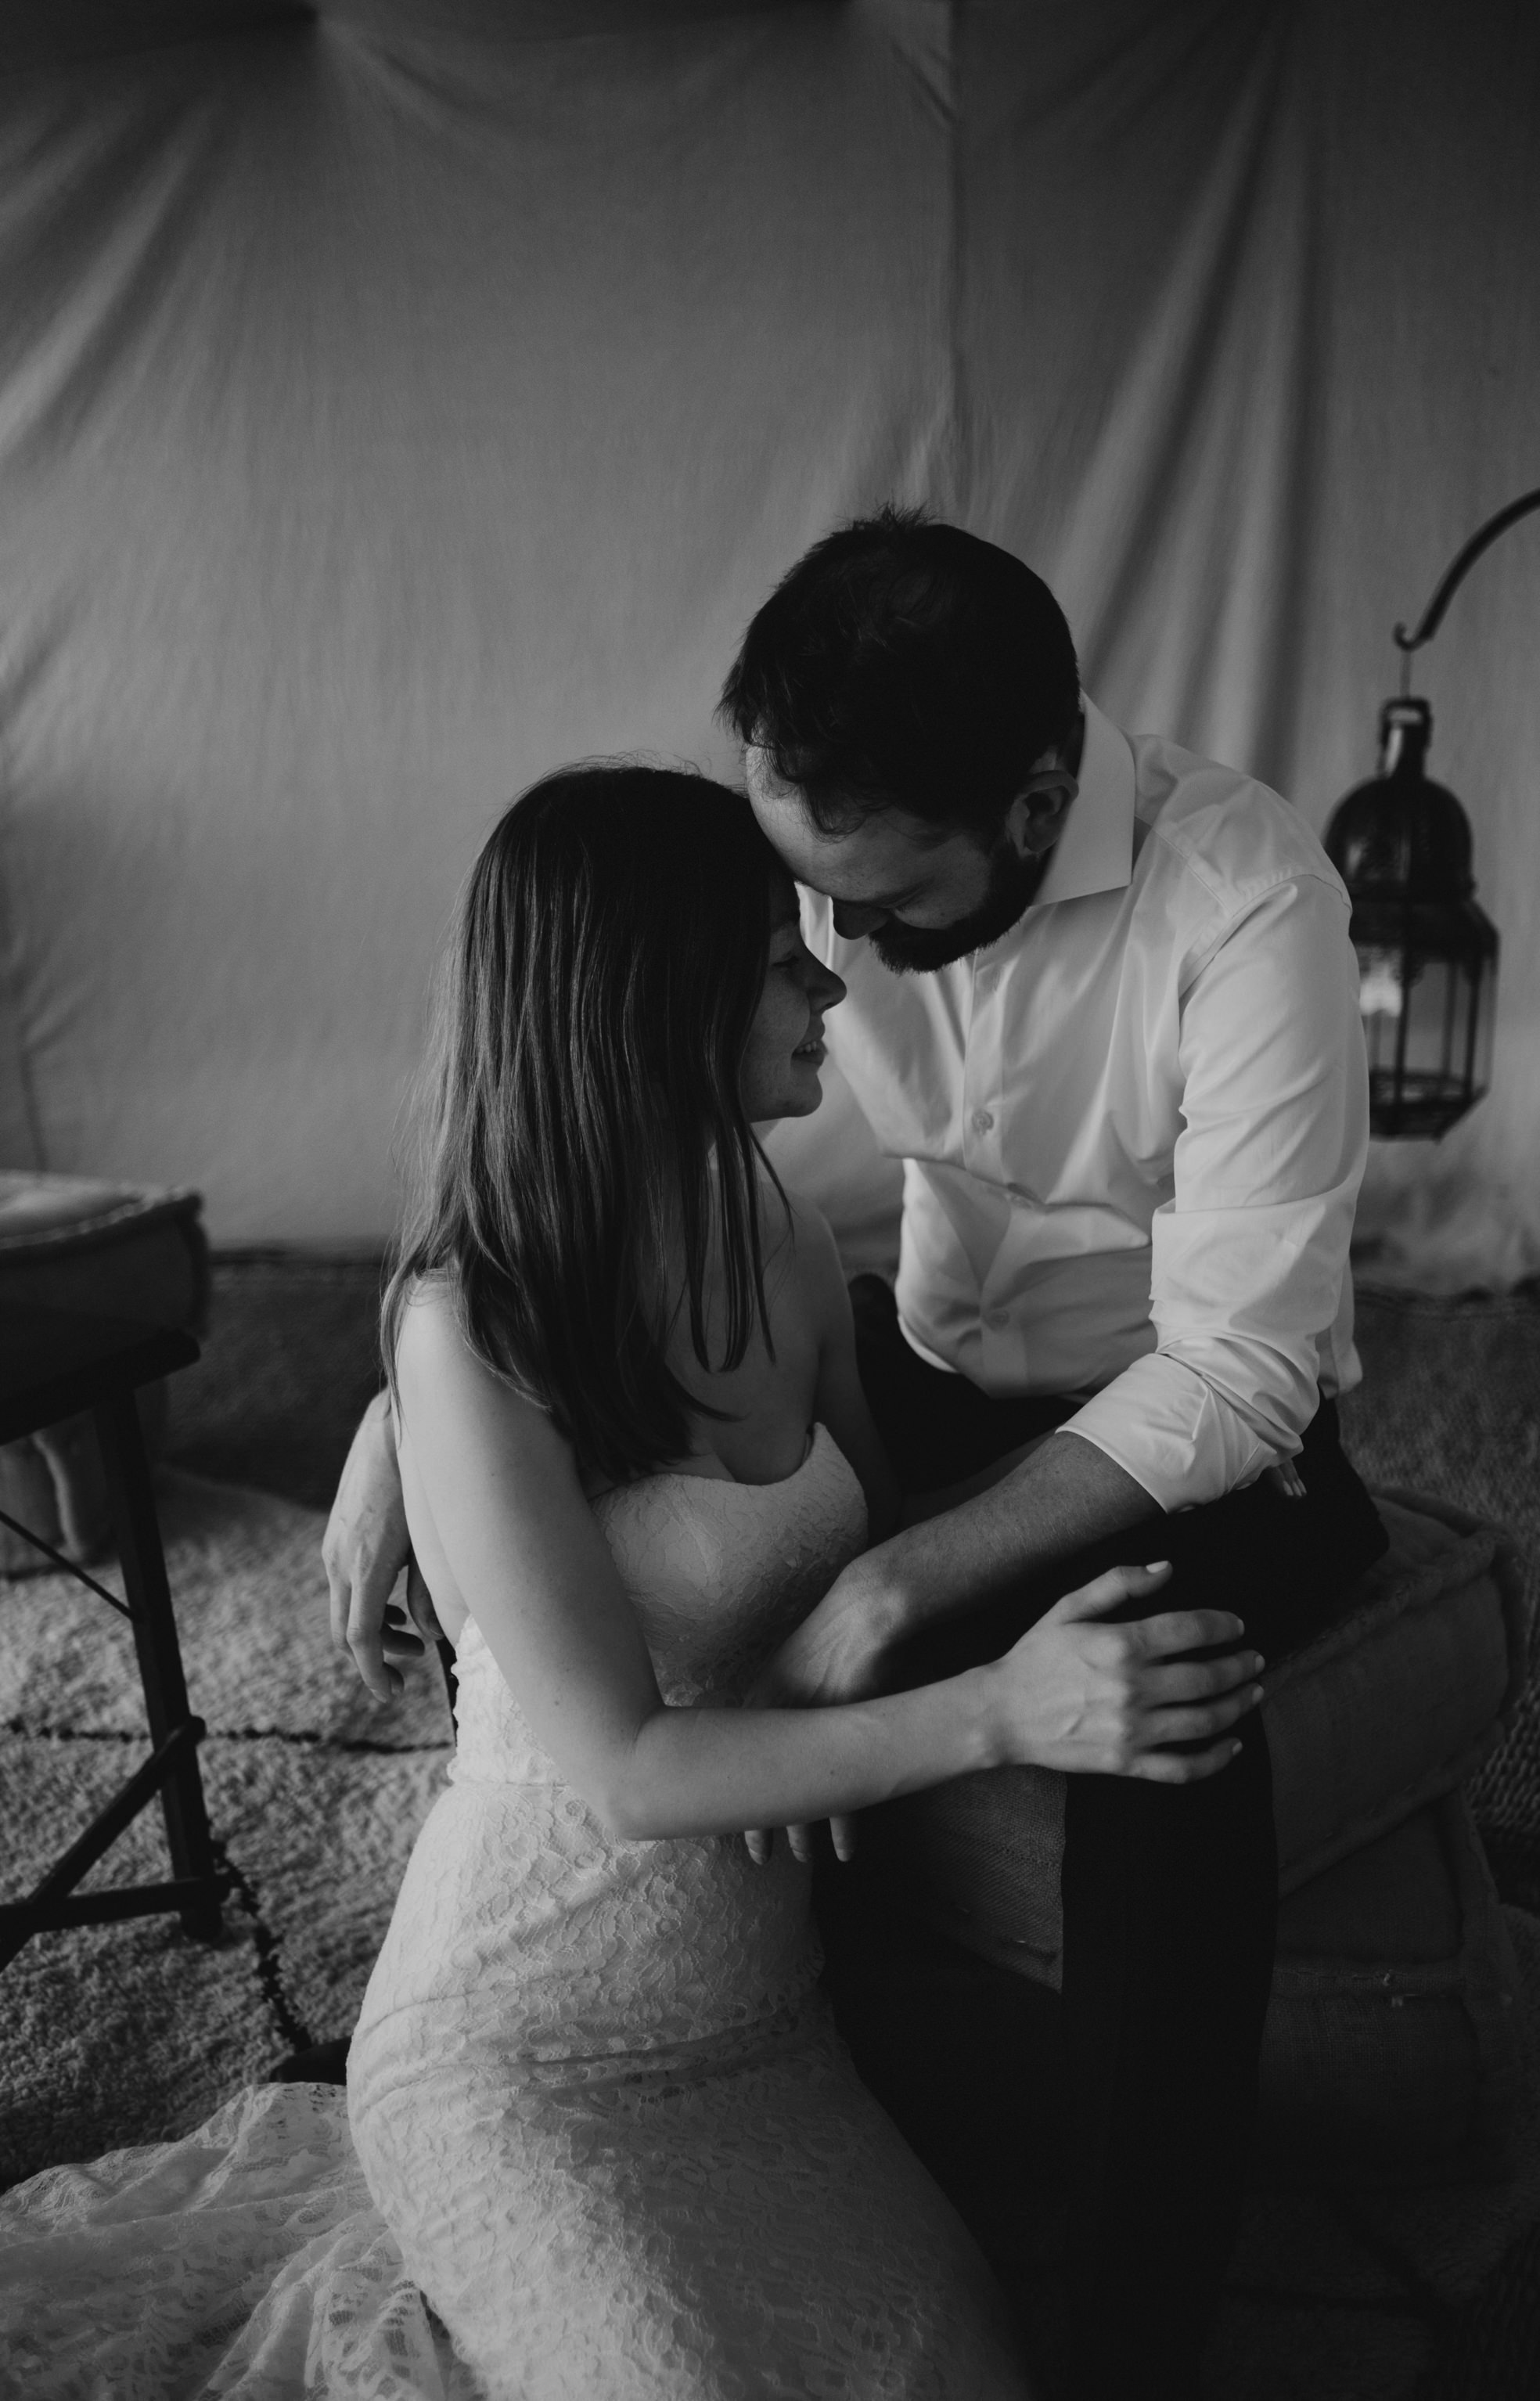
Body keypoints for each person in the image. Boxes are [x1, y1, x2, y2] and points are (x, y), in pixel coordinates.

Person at [0, 763, 1266, 2401]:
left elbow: (879, 1546)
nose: (830, 979)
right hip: (521, 2049)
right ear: (649, 998)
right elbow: (625, 1765)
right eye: (778, 956)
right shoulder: (476, 1326)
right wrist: (1005, 1711)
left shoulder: (787, 1242)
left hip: (766, 2040)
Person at [326, 513, 1390, 2398]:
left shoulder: (1248, 906)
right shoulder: (821, 850)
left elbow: (1240, 1363)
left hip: (1188, 1414)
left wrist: (898, 1580)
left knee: (1157, 1712)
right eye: (798, 913)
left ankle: (1141, 2334)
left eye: (875, 911)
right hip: (921, 1366)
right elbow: (570, 1062)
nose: (836, 955)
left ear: (1036, 798)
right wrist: (403, 1408)